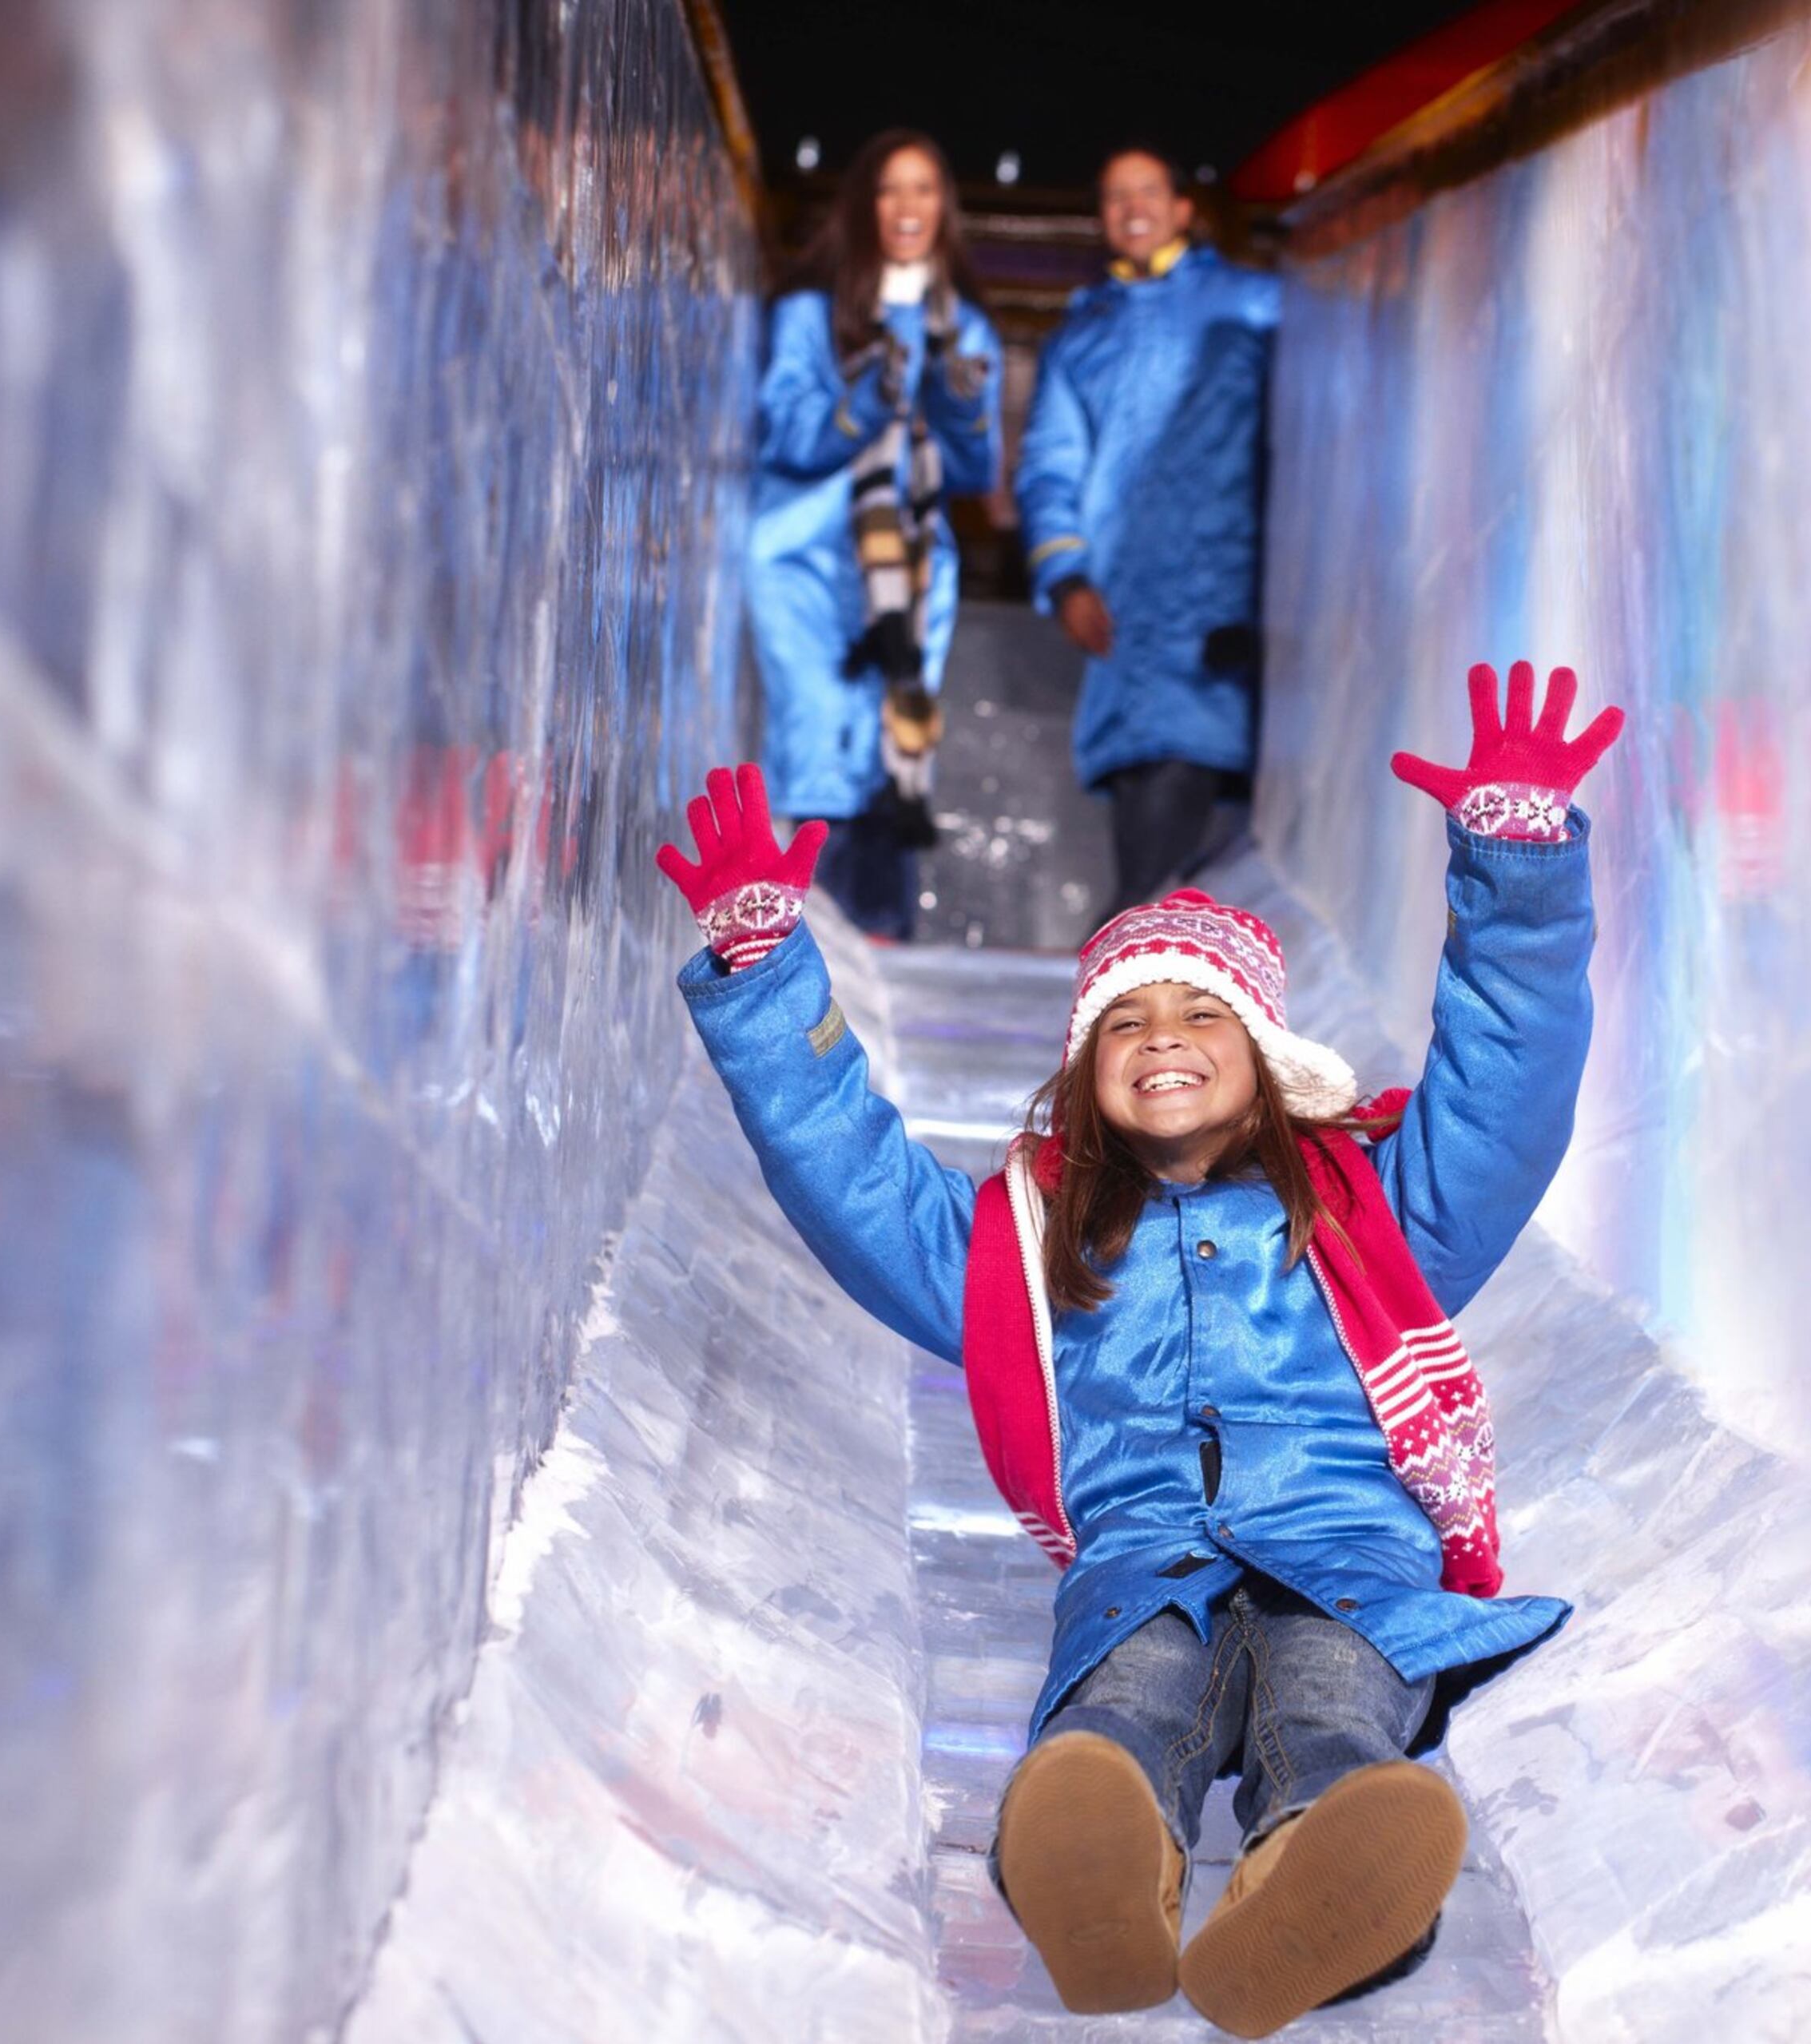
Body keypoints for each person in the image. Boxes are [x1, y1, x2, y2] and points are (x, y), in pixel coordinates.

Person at [656, 661, 1625, 2036]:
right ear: (1084, 1076)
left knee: (1333, 1697)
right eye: (1123, 1018)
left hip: (1348, 1550)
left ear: (1270, 1057)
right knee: (1134, 1693)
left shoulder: (1373, 1210)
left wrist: (1518, 874)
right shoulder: (1040, 1247)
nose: (1160, 1033)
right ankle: (1100, 1850)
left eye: (1197, 1013)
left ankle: (1321, 1865)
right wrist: (768, 979)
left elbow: (1504, 1087)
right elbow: (857, 1182)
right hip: (1141, 1561)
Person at [1015, 146, 1281, 923]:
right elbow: (1047, 467)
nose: (1132, 207)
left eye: (1148, 191)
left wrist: (1285, 603)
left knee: (1178, 862)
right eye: (1114, 196)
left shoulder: (1256, 306)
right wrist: (1065, 576)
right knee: (1152, 840)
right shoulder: (1082, 334)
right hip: (1124, 624)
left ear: (1181, 208)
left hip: (1225, 621)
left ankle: (1110, 1010)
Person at [749, 129, 1001, 940]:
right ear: (864, 205)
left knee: (890, 755)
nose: (907, 207)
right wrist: (867, 391)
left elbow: (973, 469)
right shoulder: (808, 311)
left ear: (944, 208)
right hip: (807, 561)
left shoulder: (964, 325)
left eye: (924, 190)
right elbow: (787, 435)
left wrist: (956, 398)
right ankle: (807, 954)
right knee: (820, 750)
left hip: (914, 573)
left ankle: (879, 960)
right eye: (891, 190)